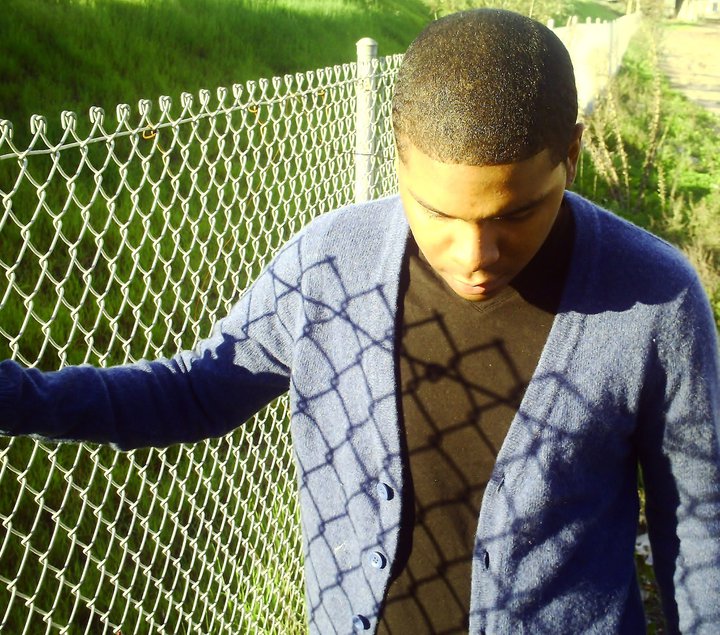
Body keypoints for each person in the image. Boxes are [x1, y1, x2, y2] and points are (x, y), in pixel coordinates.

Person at [1, 8, 719, 634]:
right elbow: (192, 391)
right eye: (438, 213)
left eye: (517, 213)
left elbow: (699, 520)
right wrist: (20, 396)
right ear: (398, 160)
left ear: (572, 153)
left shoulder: (657, 299)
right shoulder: (329, 264)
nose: (475, 255)